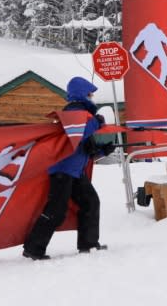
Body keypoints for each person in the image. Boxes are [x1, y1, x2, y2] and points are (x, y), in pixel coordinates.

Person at [23, 76, 114, 260]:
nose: (92, 97)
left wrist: (102, 151)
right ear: (82, 94)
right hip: (62, 170)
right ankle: (33, 248)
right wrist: (99, 121)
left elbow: (81, 148)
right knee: (56, 211)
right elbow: (79, 132)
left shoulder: (84, 115)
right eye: (90, 94)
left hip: (74, 171)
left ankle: (89, 244)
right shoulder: (73, 111)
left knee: (90, 202)